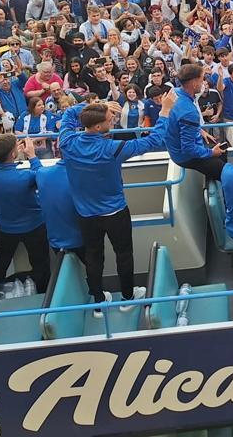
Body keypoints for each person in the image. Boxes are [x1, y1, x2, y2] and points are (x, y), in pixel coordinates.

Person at [59, 99, 168, 308]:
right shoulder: (113, 148)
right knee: (124, 254)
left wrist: (94, 105)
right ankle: (128, 297)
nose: (114, 119)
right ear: (99, 127)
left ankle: (98, 301)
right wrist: (164, 113)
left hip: (85, 214)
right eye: (110, 118)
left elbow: (68, 115)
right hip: (115, 212)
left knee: (93, 256)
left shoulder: (67, 142)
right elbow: (152, 141)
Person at [0, 134, 49, 294]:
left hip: (4, 225)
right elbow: (43, 178)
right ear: (13, 155)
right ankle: (43, 292)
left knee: (1, 260)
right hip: (33, 226)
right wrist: (32, 156)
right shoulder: (24, 177)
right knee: (40, 262)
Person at [163, 63, 227, 181]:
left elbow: (179, 123)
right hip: (184, 157)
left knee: (220, 147)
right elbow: (189, 149)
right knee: (226, 172)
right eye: (202, 79)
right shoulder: (189, 112)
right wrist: (211, 153)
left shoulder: (174, 93)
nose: (204, 82)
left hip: (176, 150)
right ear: (194, 83)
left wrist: (199, 130)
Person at [36, 144, 84, 257]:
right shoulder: (86, 174)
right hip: (83, 239)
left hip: (56, 242)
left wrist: (33, 158)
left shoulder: (42, 174)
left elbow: (38, 171)